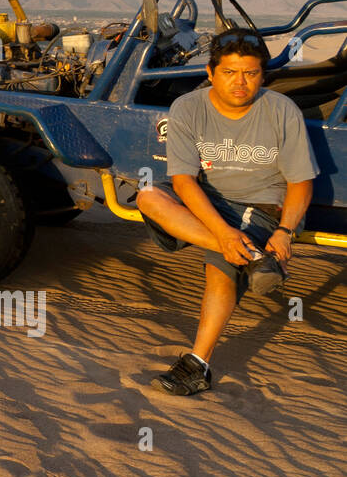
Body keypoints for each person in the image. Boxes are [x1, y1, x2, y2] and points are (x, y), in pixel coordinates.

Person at [136, 29, 319, 396]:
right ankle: (251, 257)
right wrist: (222, 233)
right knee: (148, 195)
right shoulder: (188, 107)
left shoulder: (281, 111)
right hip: (206, 199)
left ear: (262, 75)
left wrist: (285, 230)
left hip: (258, 206)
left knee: (219, 271)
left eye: (251, 73)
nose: (241, 82)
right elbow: (185, 181)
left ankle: (197, 365)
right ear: (210, 72)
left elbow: (300, 182)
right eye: (230, 72)